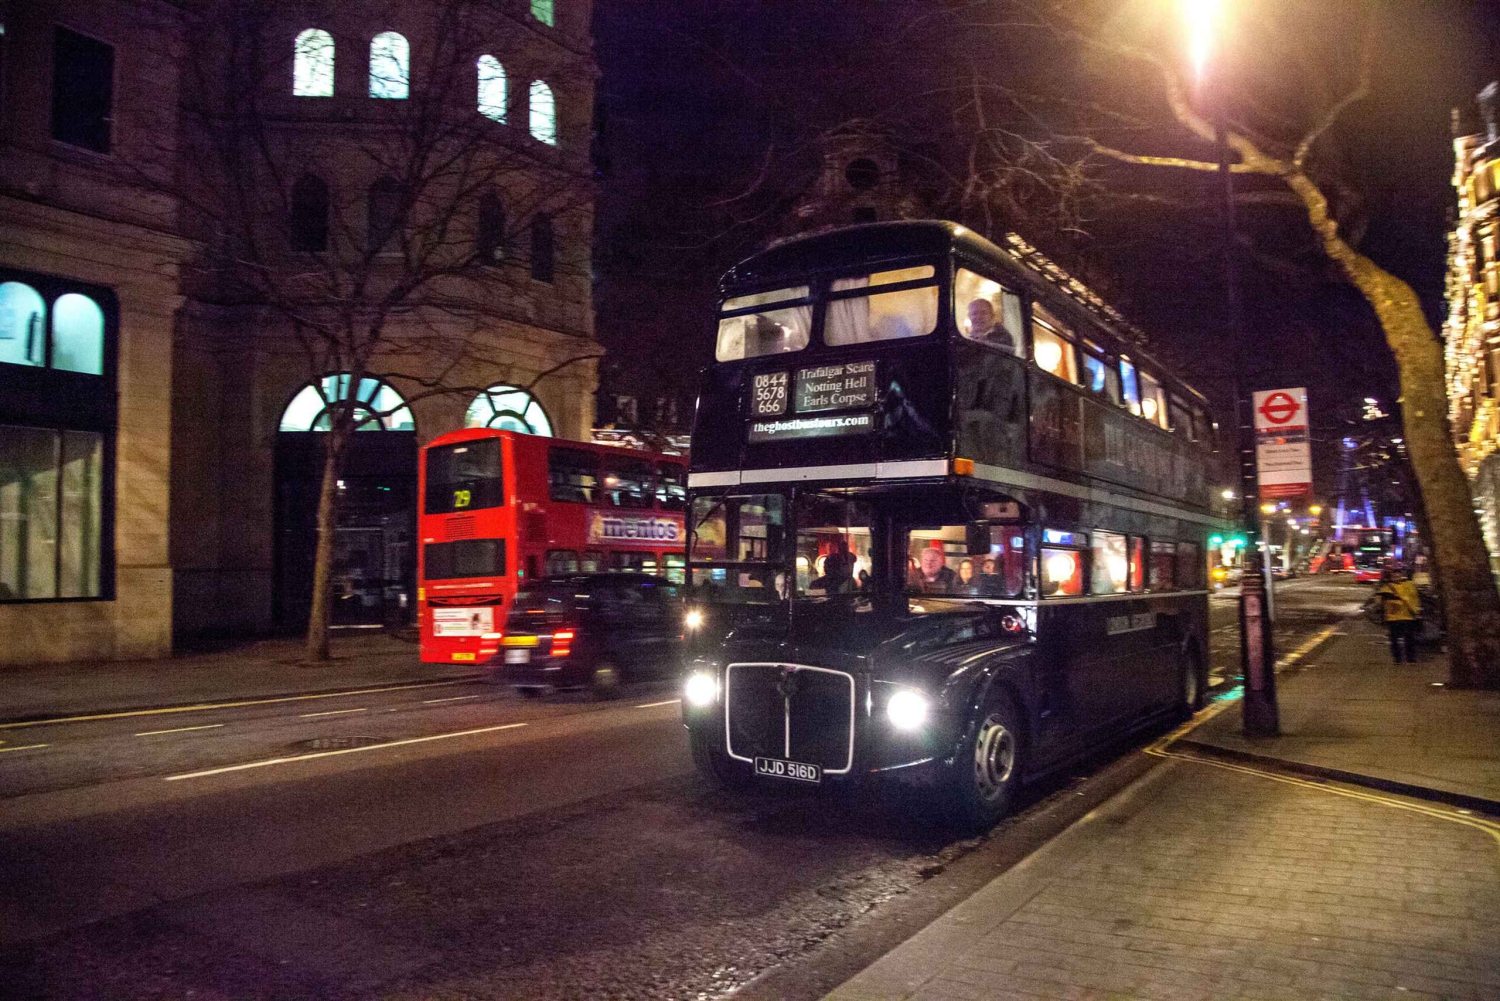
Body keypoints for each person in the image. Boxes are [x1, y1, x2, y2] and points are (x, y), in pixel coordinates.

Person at [1375, 568, 1421, 663]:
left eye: (1398, 576)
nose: (1396, 578)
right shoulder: (1388, 588)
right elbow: (1379, 602)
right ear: (1391, 577)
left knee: (1408, 639)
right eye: (1394, 576)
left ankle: (1409, 658)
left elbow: (1415, 597)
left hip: (1407, 616)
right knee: (1396, 639)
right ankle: (1399, 658)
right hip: (1394, 618)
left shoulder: (1407, 585)